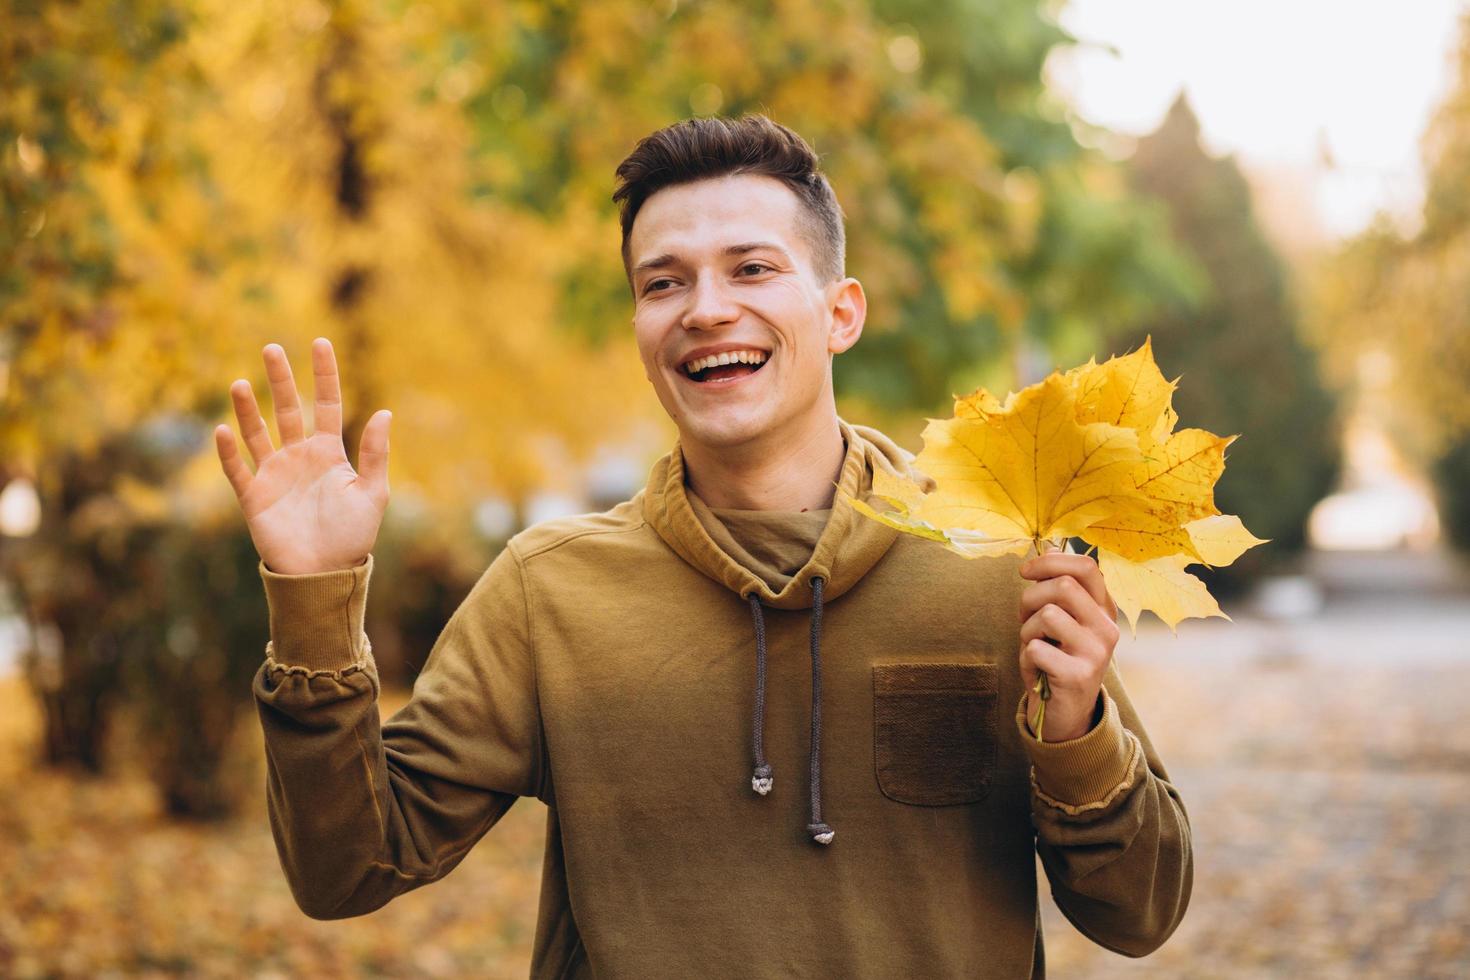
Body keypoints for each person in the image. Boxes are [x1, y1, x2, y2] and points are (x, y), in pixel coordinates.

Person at [215, 114, 1191, 978]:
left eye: (752, 267)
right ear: (642, 324)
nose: (706, 307)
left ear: (840, 310)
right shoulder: (548, 592)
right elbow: (347, 867)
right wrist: (314, 599)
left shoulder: (992, 566)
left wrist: (1078, 735)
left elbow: (1140, 912)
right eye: (663, 282)